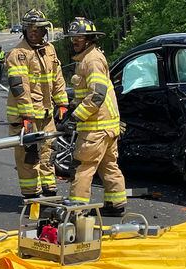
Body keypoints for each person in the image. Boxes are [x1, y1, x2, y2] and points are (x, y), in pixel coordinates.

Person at [64, 17, 127, 216]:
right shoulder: (89, 58)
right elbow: (88, 93)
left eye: (79, 37)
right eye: (73, 37)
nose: (75, 41)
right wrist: (71, 111)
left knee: (83, 166)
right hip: (106, 125)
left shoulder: (91, 61)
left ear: (90, 38)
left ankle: (77, 209)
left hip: (96, 127)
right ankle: (115, 204)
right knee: (109, 165)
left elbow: (97, 94)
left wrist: (76, 117)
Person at [6, 9, 68, 199]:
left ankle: (49, 189)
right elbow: (19, 88)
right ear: (24, 30)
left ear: (44, 30)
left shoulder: (49, 50)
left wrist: (62, 102)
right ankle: (31, 193)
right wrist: (27, 116)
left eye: (38, 29)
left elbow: (57, 78)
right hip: (26, 115)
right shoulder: (17, 54)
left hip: (46, 112)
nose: (34, 32)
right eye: (30, 29)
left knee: (48, 151)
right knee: (28, 155)